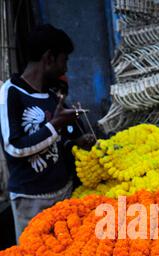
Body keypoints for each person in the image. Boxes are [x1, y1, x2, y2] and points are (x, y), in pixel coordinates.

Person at [0, 24, 94, 243]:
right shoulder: (11, 94)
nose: (66, 69)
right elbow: (15, 147)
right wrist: (56, 124)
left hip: (63, 194)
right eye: (64, 60)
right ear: (49, 58)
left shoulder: (51, 94)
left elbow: (54, 142)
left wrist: (75, 141)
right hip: (32, 202)